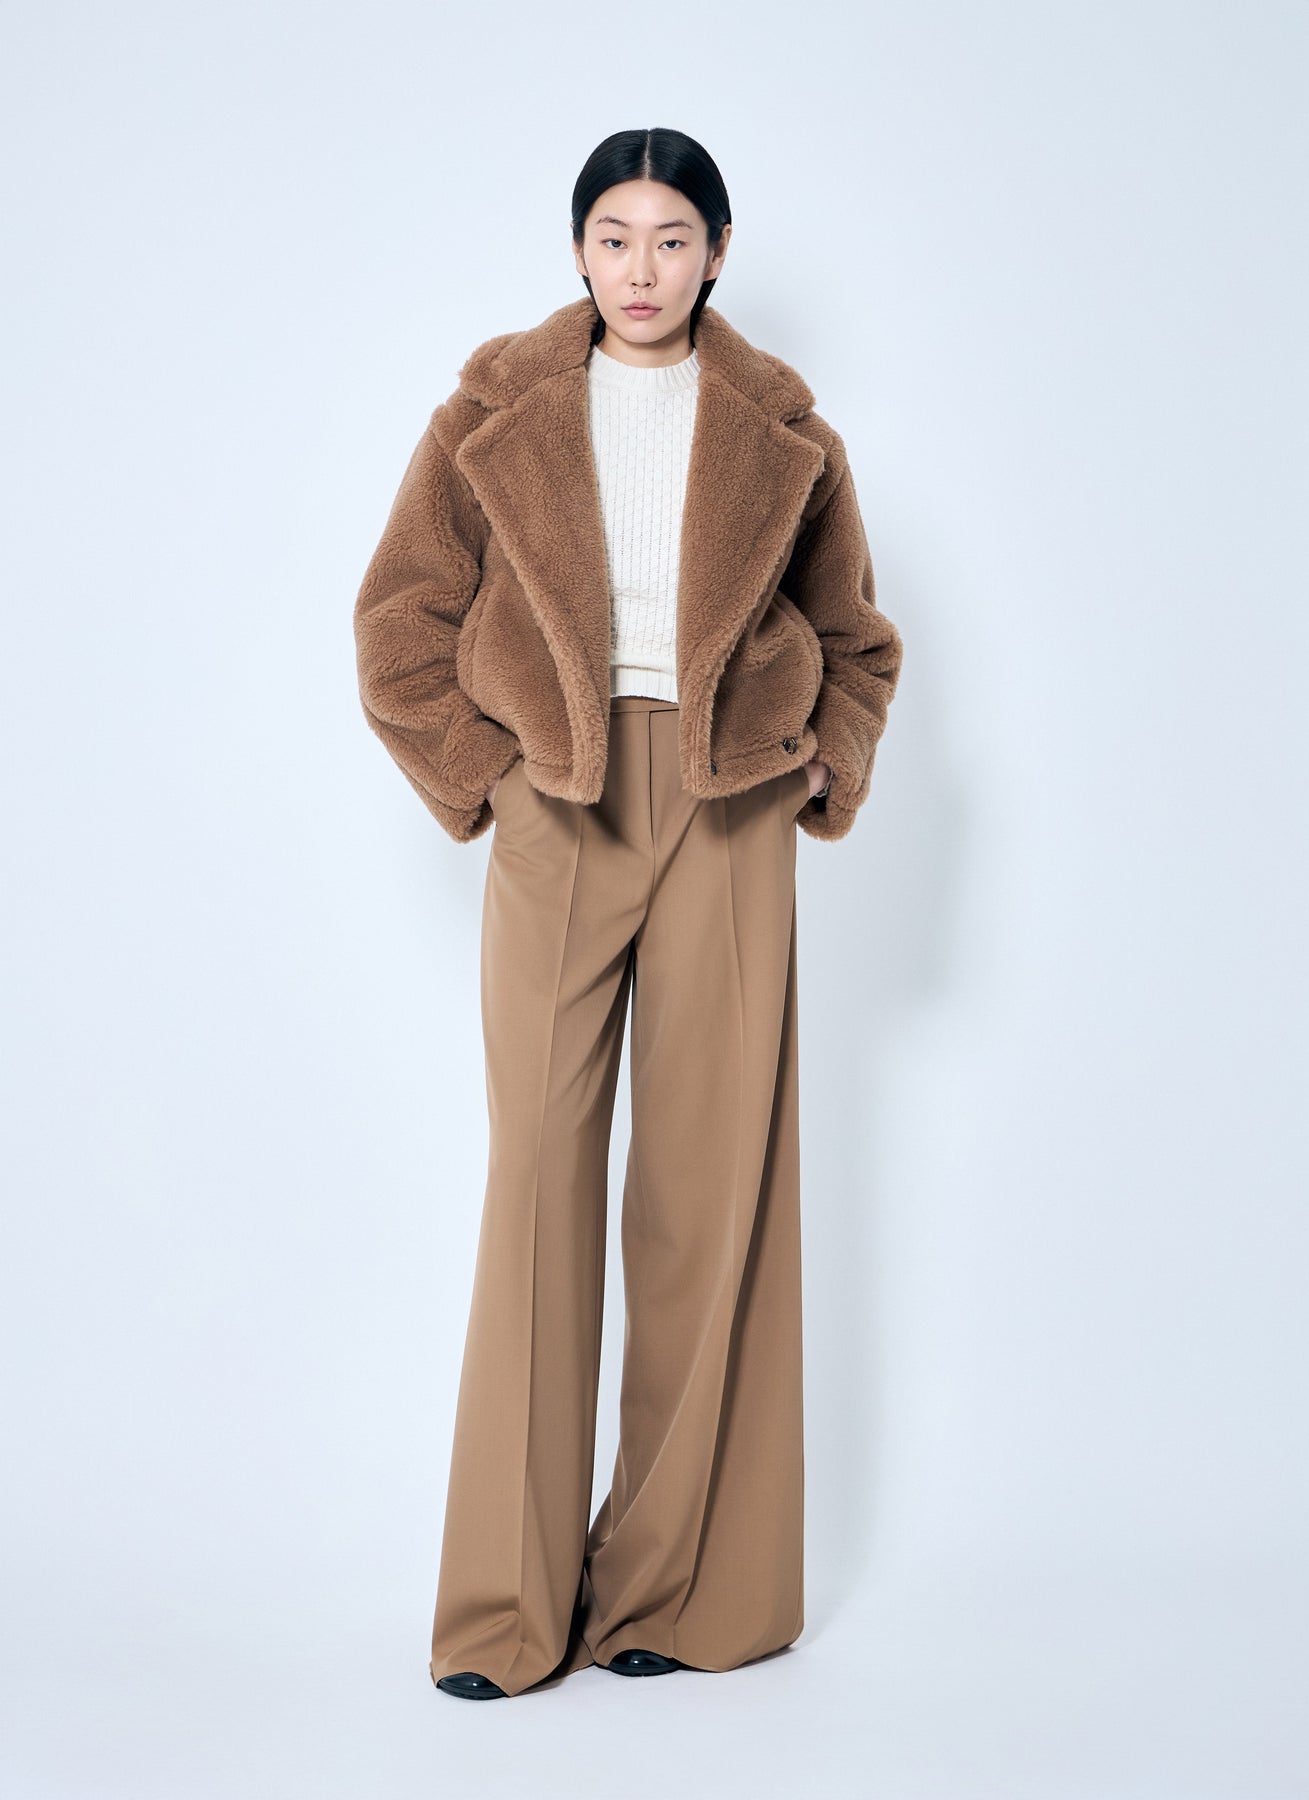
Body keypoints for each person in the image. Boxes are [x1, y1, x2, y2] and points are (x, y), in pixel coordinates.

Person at [353, 126, 904, 1701]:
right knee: (537, 1172)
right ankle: (506, 1614)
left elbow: (855, 639)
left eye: (671, 238)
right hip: (559, 797)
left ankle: (671, 1593)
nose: (641, 268)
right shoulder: (492, 411)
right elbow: (399, 619)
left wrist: (821, 765)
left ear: (717, 252)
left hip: (729, 806)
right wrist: (487, 777)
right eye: (613, 236)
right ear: (578, 250)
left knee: (701, 1194)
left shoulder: (784, 427)